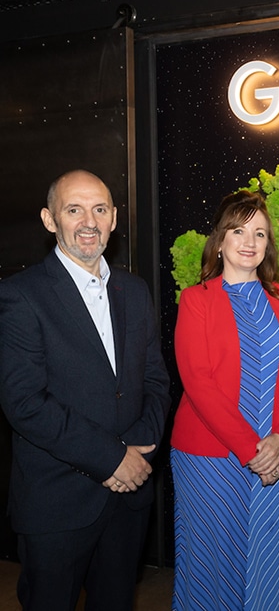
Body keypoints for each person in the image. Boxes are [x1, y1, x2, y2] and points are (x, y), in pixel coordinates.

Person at [0, 170, 171, 611]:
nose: (88, 221)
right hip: (57, 503)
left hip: (128, 500)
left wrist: (138, 451)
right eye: (74, 209)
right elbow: (23, 403)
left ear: (114, 218)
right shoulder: (20, 296)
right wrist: (113, 457)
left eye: (99, 209)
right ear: (49, 219)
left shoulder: (135, 291)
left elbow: (155, 380)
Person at [171, 189, 279, 610]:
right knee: (211, 566)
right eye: (238, 230)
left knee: (270, 562)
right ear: (219, 240)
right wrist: (253, 450)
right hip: (209, 461)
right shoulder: (196, 300)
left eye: (259, 232)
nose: (249, 241)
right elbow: (198, 383)